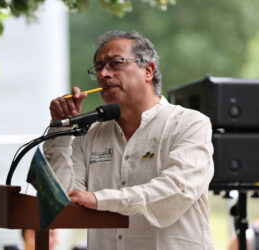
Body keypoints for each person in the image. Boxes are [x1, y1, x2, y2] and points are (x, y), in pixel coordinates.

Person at [43, 30, 214, 250]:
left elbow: (176, 192)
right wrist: (62, 127)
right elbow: (64, 198)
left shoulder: (189, 123)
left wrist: (99, 199)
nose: (104, 74)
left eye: (115, 63)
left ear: (148, 70)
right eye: (98, 68)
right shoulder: (91, 135)